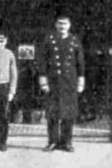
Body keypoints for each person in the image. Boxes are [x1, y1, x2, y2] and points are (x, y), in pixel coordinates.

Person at [38, 15, 85, 153]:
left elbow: (80, 62)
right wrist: (43, 79)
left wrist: (81, 81)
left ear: (69, 26)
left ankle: (67, 142)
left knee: (68, 114)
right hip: (53, 82)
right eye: (59, 24)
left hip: (69, 82)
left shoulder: (75, 40)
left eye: (65, 24)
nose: (62, 26)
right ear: (55, 25)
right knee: (52, 113)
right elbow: (43, 61)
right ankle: (52, 141)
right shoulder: (49, 40)